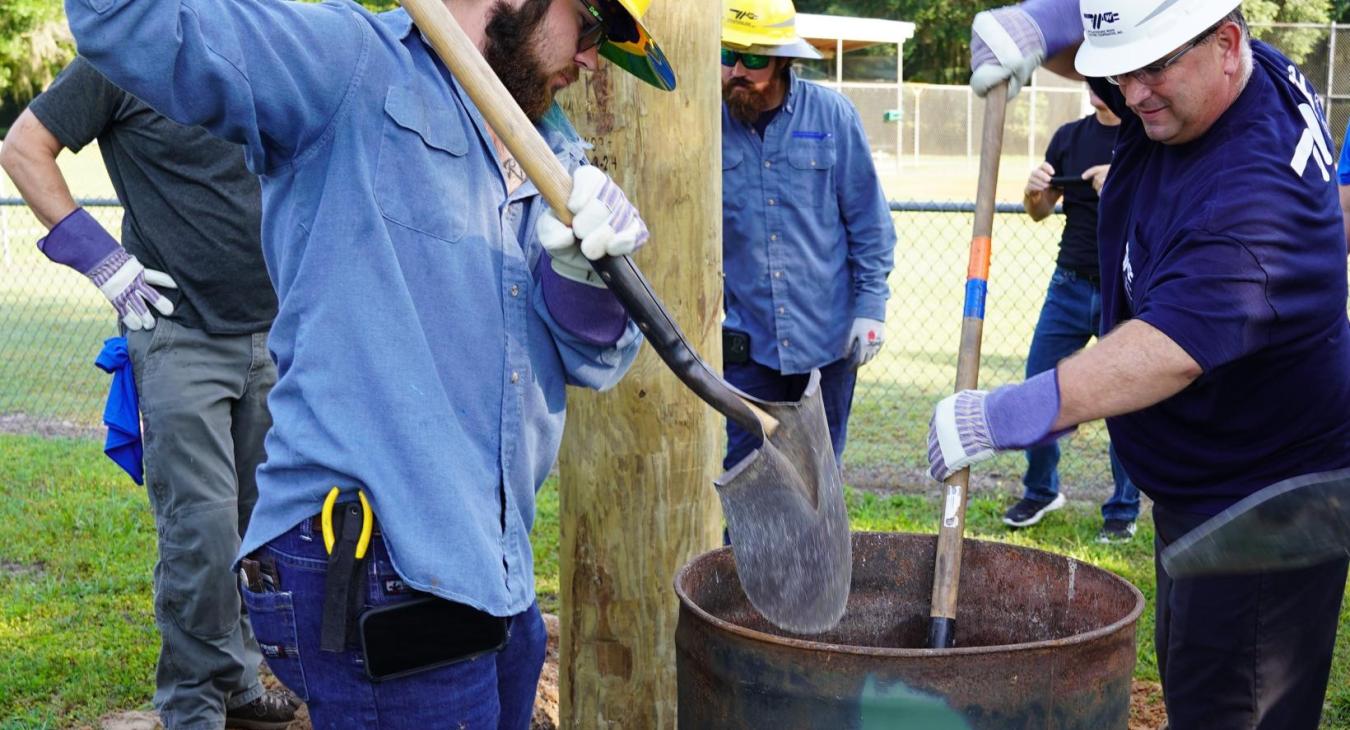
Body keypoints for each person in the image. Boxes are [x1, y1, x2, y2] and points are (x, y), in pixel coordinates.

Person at [62, 0, 673, 725]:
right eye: (594, 26)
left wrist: (585, 279)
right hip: (370, 560)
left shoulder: (550, 149)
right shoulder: (349, 64)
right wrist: (89, 253)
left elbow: (590, 358)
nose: (594, 58)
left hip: (490, 564)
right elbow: (120, 21)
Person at [930, 1, 1350, 727]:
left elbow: (1166, 351)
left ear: (1227, 44)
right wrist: (1044, 25)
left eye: (1154, 66)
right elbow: (1118, 54)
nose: (1134, 92)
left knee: (1233, 703)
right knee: (1196, 673)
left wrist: (1002, 414)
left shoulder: (1252, 202)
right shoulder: (1235, 78)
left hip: (1263, 499)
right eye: (1117, 73)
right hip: (1217, 470)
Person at [0, 59, 296, 729]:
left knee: (261, 532)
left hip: (278, 334)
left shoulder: (269, 49)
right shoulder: (124, 59)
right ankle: (192, 709)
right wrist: (101, 259)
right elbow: (22, 148)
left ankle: (239, 683)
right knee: (200, 538)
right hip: (181, 336)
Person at [719, 0, 895, 472]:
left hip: (827, 340)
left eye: (753, 59)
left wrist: (871, 309)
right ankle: (747, 551)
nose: (737, 70)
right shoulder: (705, 126)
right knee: (747, 475)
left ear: (781, 60)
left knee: (817, 474)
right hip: (747, 345)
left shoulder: (832, 116)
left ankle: (815, 550)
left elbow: (870, 224)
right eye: (727, 54)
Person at [1008, 88, 1140, 542]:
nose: (1094, 84)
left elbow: (1159, 209)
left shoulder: (1143, 135)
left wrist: (1119, 184)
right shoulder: (1069, 136)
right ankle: (1041, 490)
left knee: (1124, 401)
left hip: (1123, 290)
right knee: (1040, 387)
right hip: (1068, 285)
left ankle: (1122, 509)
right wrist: (1034, 193)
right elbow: (1040, 212)